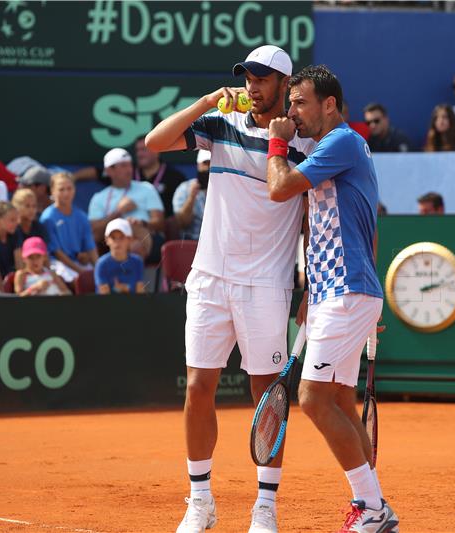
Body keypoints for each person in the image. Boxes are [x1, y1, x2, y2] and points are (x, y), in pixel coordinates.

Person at [145, 44, 315, 533]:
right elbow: (155, 142)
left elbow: (309, 221)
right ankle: (200, 500)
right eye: (248, 78)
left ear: (285, 87)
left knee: (267, 397)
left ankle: (265, 507)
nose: (252, 86)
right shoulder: (221, 125)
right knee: (199, 387)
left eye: (263, 79)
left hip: (267, 283)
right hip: (210, 279)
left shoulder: (303, 144)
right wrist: (202, 103)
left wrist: (308, 286)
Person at [265, 64, 399, 533]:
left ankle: (371, 507)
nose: (292, 112)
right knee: (340, 400)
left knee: (313, 399)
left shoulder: (341, 140)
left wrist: (277, 144)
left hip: (346, 292)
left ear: (330, 105)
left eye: (299, 102)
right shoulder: (335, 149)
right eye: (290, 103)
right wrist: (313, 290)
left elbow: (280, 188)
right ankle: (376, 505)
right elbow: (345, 225)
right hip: (337, 292)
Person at [88, 148, 164, 260]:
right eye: (123, 166)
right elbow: (93, 230)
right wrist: (119, 212)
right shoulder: (99, 197)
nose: (129, 170)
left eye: (130, 165)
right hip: (112, 239)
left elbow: (160, 223)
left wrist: (142, 223)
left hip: (144, 236)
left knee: (134, 243)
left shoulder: (147, 188)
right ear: (109, 171)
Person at [40, 172, 98, 284]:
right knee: (78, 282)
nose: (66, 193)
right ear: (52, 191)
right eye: (61, 189)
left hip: (78, 262)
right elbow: (57, 253)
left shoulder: (81, 216)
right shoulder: (47, 218)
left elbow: (91, 248)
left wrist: (99, 269)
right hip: (57, 263)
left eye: (69, 188)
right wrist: (80, 271)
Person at [134, 136, 187, 221]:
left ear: (156, 151)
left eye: (143, 149)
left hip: (165, 229)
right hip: (134, 226)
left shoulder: (174, 177)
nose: (139, 154)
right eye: (137, 150)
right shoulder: (129, 175)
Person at [94, 218, 146, 294]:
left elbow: (140, 292)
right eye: (113, 238)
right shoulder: (101, 264)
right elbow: (103, 296)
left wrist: (124, 289)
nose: (117, 242)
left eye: (121, 237)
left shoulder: (137, 262)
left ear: (130, 239)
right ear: (107, 240)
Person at [172, 150, 209, 241]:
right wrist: (191, 197)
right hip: (192, 243)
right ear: (198, 165)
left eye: (213, 162)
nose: (210, 167)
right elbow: (181, 223)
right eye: (206, 163)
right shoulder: (184, 189)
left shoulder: (229, 188)